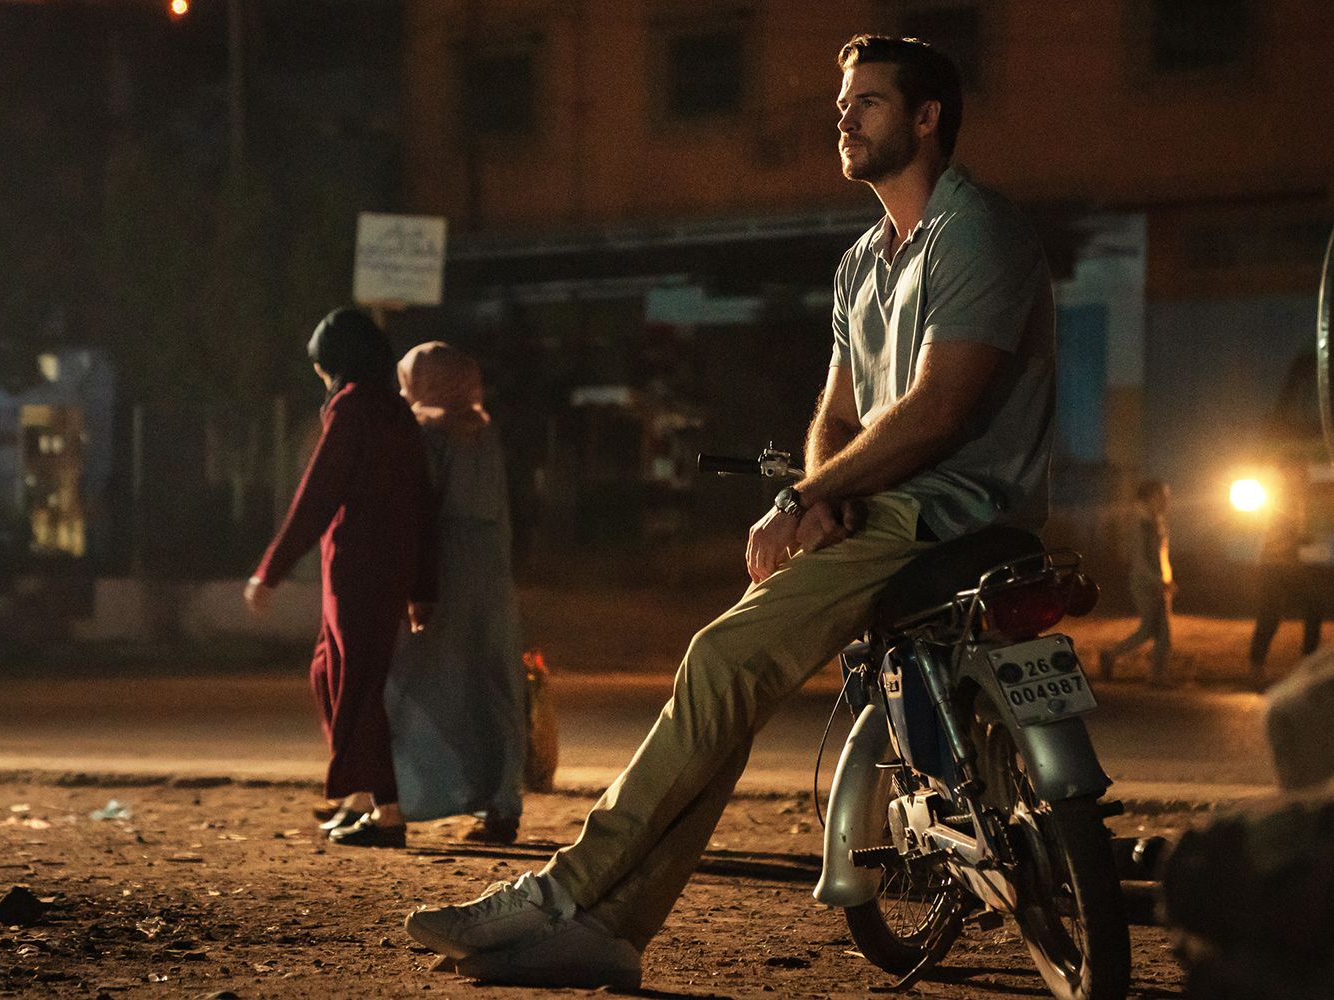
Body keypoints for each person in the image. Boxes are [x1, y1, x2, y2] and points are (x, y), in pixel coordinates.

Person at [405, 35, 1056, 989]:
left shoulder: (976, 230)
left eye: (868, 102)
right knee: (729, 687)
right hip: (878, 515)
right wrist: (824, 493)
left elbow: (938, 407)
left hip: (952, 512)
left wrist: (810, 495)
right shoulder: (861, 264)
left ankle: (565, 890)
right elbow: (836, 413)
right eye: (843, 102)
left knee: (720, 659)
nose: (844, 117)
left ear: (927, 119)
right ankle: (614, 932)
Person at [244, 308, 437, 849]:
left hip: (357, 568)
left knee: (356, 684)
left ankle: (388, 810)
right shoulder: (397, 413)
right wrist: (422, 586)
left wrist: (270, 571)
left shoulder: (353, 410)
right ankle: (358, 795)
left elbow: (317, 495)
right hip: (379, 567)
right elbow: (423, 504)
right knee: (330, 671)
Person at [385, 342, 528, 845]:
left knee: (423, 682)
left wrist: (413, 582)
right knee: (492, 683)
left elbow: (418, 509)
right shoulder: (483, 431)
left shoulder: (424, 432)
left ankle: (404, 797)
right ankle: (502, 803)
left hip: (443, 571)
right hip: (490, 572)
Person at [1248, 454, 1323, 686]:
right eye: (1301, 471)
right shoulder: (1284, 495)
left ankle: (1257, 667)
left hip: (1281, 563)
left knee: (1272, 616)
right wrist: (1305, 538)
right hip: (1278, 564)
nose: (1305, 475)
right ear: (1290, 472)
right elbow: (1287, 530)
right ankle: (1306, 664)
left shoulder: (1290, 495)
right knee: (1310, 608)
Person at [1101, 479, 1174, 684]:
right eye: (1162, 496)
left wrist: (1166, 579)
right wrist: (1159, 580)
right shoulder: (1141, 522)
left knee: (1159, 631)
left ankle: (1155, 674)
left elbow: (1161, 555)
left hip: (1157, 581)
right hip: (1145, 582)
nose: (1166, 501)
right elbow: (1140, 559)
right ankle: (1114, 656)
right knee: (1153, 630)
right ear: (1149, 497)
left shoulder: (1154, 521)